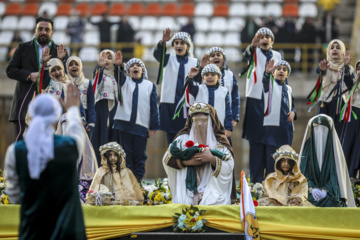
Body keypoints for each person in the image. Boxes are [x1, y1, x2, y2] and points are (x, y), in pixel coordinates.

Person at [4, 84, 87, 239]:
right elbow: (76, 130)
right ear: (56, 116)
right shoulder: (70, 146)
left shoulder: (15, 151)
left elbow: (14, 196)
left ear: (32, 114)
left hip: (33, 232)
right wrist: (73, 110)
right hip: (68, 233)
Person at [6, 16, 68, 141]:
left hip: (51, 105)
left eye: (46, 29)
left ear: (52, 32)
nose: (43, 32)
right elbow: (10, 70)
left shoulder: (60, 51)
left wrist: (61, 60)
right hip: (25, 104)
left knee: (50, 146)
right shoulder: (22, 48)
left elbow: (67, 78)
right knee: (22, 145)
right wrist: (29, 75)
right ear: (35, 31)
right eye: (40, 29)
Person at [163, 102, 235, 205]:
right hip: (187, 191)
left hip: (212, 189)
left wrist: (212, 159)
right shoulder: (182, 140)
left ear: (210, 121)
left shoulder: (219, 144)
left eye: (204, 121)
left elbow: (229, 166)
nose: (200, 124)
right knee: (183, 203)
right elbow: (166, 159)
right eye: (196, 121)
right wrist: (187, 162)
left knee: (214, 203)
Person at [241, 27, 282, 183]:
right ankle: (256, 181)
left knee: (271, 140)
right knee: (255, 140)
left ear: (272, 40)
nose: (264, 39)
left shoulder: (278, 55)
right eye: (262, 37)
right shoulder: (254, 52)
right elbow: (246, 55)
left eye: (267, 36)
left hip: (273, 99)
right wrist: (252, 45)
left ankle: (271, 180)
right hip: (255, 98)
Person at [113, 56, 160, 182]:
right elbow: (118, 75)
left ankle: (138, 180)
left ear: (142, 70)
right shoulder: (124, 82)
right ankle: (128, 181)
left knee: (140, 155)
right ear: (128, 71)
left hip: (141, 126)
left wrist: (154, 125)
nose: (135, 67)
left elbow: (154, 106)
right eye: (132, 66)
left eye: (138, 65)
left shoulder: (149, 85)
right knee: (126, 154)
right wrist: (117, 66)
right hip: (124, 125)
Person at [153, 29, 199, 145]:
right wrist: (162, 42)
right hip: (170, 105)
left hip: (188, 106)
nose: (179, 45)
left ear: (188, 46)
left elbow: (199, 82)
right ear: (173, 46)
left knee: (187, 140)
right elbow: (157, 54)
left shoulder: (195, 62)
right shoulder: (168, 59)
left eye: (182, 43)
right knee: (171, 141)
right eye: (176, 43)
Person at [299, 114, 356, 207]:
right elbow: (302, 172)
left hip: (330, 191)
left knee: (331, 203)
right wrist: (312, 189)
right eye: (317, 130)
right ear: (312, 131)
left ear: (329, 132)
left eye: (324, 130)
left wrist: (325, 190)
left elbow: (336, 175)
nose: (320, 133)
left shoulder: (335, 149)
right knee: (307, 201)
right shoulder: (307, 148)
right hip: (309, 190)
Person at [256, 60, 296, 182]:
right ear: (273, 72)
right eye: (278, 69)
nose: (281, 71)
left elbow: (292, 105)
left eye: (284, 70)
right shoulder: (270, 85)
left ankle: (284, 184)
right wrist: (267, 74)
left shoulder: (289, 88)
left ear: (287, 74)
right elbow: (265, 81)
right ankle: (270, 184)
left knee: (285, 159)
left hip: (286, 130)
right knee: (271, 159)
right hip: (272, 129)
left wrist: (294, 112)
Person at [308, 39, 353, 136]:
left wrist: (345, 67)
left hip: (340, 105)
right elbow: (318, 71)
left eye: (338, 48)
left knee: (339, 135)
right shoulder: (325, 65)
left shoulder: (348, 68)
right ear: (328, 51)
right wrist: (322, 70)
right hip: (325, 104)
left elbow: (350, 85)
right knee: (322, 133)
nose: (335, 50)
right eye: (332, 48)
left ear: (343, 51)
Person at [91, 49, 121, 166]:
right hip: (101, 109)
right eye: (104, 57)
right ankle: (99, 168)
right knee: (100, 138)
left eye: (109, 57)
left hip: (115, 110)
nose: (107, 60)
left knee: (113, 139)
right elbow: (95, 84)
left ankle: (113, 168)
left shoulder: (118, 76)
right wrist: (99, 67)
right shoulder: (99, 73)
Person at [186, 64, 233, 138]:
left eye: (213, 74)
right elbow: (189, 87)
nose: (210, 77)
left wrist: (228, 128)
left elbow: (228, 111)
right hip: (201, 127)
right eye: (206, 75)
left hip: (219, 127)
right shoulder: (198, 89)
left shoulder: (224, 91)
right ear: (203, 78)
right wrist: (190, 77)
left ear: (219, 77)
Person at [208, 47, 240, 137]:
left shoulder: (230, 75)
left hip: (225, 115)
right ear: (208, 60)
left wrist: (235, 117)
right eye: (212, 55)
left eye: (218, 55)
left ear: (224, 59)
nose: (215, 57)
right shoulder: (203, 75)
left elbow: (235, 97)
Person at [66, 56, 96, 136]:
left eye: (76, 64)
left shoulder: (87, 83)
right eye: (71, 65)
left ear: (81, 66)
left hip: (84, 120)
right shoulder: (64, 83)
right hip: (68, 117)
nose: (74, 66)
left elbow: (91, 105)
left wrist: (91, 122)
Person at [341, 60, 360, 180]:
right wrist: (347, 66)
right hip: (353, 114)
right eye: (358, 68)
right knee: (349, 144)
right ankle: (348, 175)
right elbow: (346, 79)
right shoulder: (353, 83)